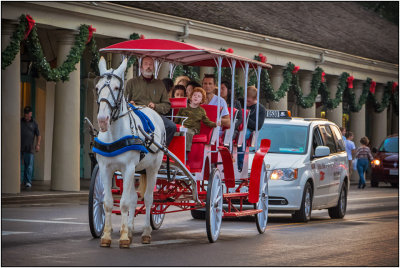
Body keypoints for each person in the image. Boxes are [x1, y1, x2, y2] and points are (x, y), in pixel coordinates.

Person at [125, 56, 176, 146]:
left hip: (155, 116)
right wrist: (129, 104)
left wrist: (156, 106)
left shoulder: (160, 84)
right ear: (141, 68)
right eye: (145, 64)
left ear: (154, 67)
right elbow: (123, 102)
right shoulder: (131, 83)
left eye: (150, 64)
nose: (148, 67)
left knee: (171, 126)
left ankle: (161, 149)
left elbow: (167, 106)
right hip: (136, 114)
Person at [174, 87, 220, 154]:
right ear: (191, 97)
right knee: (176, 133)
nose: (196, 97)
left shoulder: (201, 111)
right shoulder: (184, 107)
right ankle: (173, 151)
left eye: (199, 96)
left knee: (187, 133)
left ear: (201, 100)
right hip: (182, 127)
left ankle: (185, 153)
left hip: (193, 129)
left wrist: (215, 124)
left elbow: (206, 121)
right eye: (194, 95)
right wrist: (175, 126)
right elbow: (177, 118)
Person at [237, 86, 266, 171]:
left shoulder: (260, 109)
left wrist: (244, 118)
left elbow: (258, 126)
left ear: (255, 98)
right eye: (245, 99)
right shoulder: (240, 103)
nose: (246, 102)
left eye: (248, 101)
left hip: (249, 130)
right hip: (237, 127)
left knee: (243, 134)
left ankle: (240, 163)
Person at [20, 106, 41, 189]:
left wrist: (38, 144)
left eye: (27, 114)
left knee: (29, 166)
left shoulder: (34, 123)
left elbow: (38, 135)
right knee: (20, 165)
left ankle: (28, 181)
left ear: (31, 114)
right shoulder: (20, 121)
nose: (26, 115)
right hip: (20, 147)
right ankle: (20, 180)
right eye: (25, 113)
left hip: (29, 148)